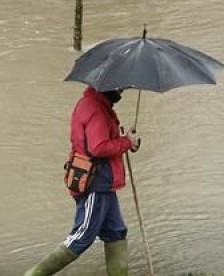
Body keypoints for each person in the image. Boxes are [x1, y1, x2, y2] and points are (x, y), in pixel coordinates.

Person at [24, 87, 141, 276]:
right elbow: (98, 147)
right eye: (119, 89)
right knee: (82, 236)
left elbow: (96, 141)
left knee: (116, 232)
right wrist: (126, 143)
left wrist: (126, 140)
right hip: (96, 182)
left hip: (102, 182)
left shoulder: (92, 103)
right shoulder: (97, 110)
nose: (121, 93)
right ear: (106, 88)